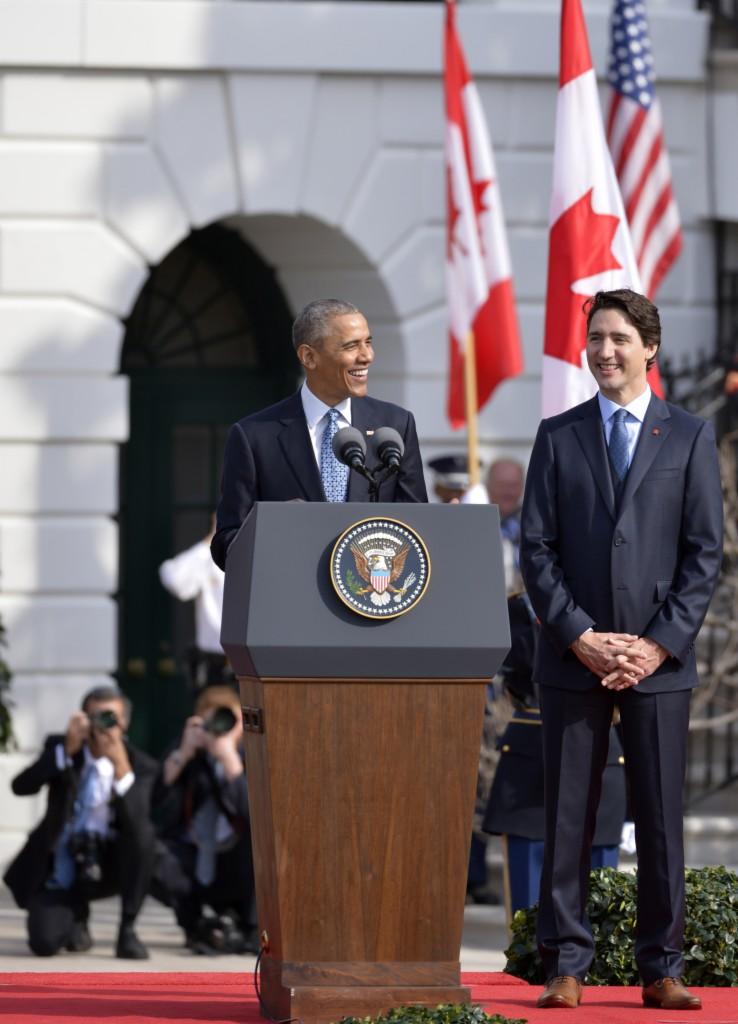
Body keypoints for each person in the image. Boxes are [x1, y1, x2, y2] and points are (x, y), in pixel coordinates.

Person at [521, 289, 723, 1011]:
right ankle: (566, 964)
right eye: (596, 337)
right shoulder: (558, 434)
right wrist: (577, 635)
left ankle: (661, 967)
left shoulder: (690, 436)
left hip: (657, 665)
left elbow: (705, 556)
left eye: (619, 339)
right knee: (568, 816)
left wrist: (655, 646)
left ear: (649, 350)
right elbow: (536, 550)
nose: (604, 350)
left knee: (661, 818)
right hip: (573, 659)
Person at [211, 298, 428, 569]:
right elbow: (225, 545)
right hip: (291, 600)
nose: (367, 356)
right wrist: (270, 527)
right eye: (351, 346)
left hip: (373, 600)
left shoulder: (395, 425)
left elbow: (417, 528)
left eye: (368, 342)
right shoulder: (254, 436)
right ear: (308, 357)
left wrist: (445, 528)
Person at [482, 592, 626, 921]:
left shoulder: (614, 601)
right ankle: (531, 965)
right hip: (530, 749)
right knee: (528, 904)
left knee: (600, 894)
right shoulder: (516, 608)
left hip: (599, 742)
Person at [3, 686, 157, 959]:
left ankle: (127, 930)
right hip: (65, 862)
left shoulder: (139, 763)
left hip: (112, 863)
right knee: (44, 942)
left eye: (112, 719)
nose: (104, 727)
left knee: (145, 838)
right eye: (97, 717)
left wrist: (121, 768)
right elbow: (21, 786)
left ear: (125, 724)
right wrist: (65, 751)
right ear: (83, 719)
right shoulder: (62, 748)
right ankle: (75, 919)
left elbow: (139, 824)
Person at [151, 686, 257, 954]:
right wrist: (183, 753)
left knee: (262, 849)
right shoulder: (189, 754)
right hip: (196, 855)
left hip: (237, 862)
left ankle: (250, 926)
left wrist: (231, 762)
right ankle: (194, 923)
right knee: (153, 853)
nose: (221, 730)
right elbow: (156, 801)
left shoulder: (255, 755)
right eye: (214, 722)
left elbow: (255, 815)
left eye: (229, 722)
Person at [159, 516, 233, 691]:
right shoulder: (209, 558)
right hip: (216, 661)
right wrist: (210, 541)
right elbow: (175, 580)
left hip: (253, 661)